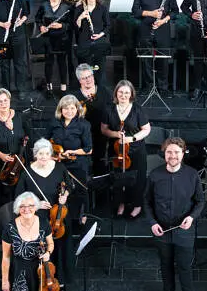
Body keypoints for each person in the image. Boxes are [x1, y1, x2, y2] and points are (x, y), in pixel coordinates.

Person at [145, 137, 206, 291]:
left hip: (184, 230)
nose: (173, 156)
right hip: (161, 230)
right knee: (165, 265)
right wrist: (152, 222)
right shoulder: (154, 175)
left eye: (176, 152)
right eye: (169, 152)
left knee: (185, 268)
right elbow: (146, 202)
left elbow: (200, 201)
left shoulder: (192, 175)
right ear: (164, 154)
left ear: (183, 153)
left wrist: (191, 217)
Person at [1, 192, 57, 291]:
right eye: (22, 206)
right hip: (20, 271)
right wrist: (5, 280)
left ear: (36, 207)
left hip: (40, 270)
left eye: (31, 205)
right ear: (17, 209)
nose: (27, 209)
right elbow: (5, 257)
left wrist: (48, 253)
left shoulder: (43, 222)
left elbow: (50, 244)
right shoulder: (10, 227)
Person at [15, 139, 73, 285]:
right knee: (44, 247)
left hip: (59, 215)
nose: (44, 157)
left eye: (47, 153)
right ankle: (44, 280)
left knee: (61, 245)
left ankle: (61, 279)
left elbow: (69, 186)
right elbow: (19, 199)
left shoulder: (60, 168)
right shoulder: (27, 173)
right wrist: (36, 205)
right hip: (38, 218)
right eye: (40, 154)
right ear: (35, 154)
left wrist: (65, 196)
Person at [101, 80, 152, 218]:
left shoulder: (138, 109)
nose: (123, 95)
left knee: (138, 178)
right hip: (117, 149)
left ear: (131, 94)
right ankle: (121, 203)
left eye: (126, 93)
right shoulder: (109, 109)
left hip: (136, 150)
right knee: (119, 178)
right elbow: (104, 129)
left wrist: (132, 138)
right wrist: (115, 134)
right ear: (116, 93)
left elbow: (146, 129)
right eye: (120, 92)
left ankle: (137, 205)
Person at [131, 0, 179, 94]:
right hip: (146, 29)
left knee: (163, 60)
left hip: (163, 29)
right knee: (146, 59)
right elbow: (135, 11)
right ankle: (148, 86)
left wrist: (163, 20)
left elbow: (175, 11)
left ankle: (163, 88)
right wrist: (151, 13)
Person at [46, 94, 92, 228]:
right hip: (58, 163)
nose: (69, 111)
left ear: (77, 109)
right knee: (59, 191)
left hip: (78, 163)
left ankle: (83, 215)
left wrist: (72, 152)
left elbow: (88, 149)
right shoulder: (54, 123)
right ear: (60, 110)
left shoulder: (84, 124)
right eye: (66, 108)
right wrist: (52, 155)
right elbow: (44, 141)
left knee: (80, 190)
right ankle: (61, 217)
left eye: (72, 108)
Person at [0, 88, 32, 209]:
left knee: (22, 190)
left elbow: (29, 135)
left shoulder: (19, 117)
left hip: (21, 160)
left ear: (9, 100)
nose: (3, 104)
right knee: (4, 193)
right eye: (0, 102)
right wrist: (2, 156)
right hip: (2, 164)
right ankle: (6, 214)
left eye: (5, 100)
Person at [73, 64, 113, 176]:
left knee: (100, 166)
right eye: (84, 78)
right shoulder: (74, 97)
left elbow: (112, 111)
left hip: (101, 135)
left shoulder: (104, 92)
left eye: (90, 76)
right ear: (79, 80)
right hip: (82, 137)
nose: (88, 80)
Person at [35, 0, 74, 93]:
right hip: (48, 38)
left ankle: (63, 87)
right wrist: (41, 26)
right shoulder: (44, 4)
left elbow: (72, 24)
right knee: (49, 62)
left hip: (63, 38)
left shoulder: (67, 5)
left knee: (62, 62)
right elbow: (38, 18)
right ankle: (49, 87)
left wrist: (61, 25)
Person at [74, 0, 111, 85]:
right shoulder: (79, 8)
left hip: (99, 42)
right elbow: (76, 27)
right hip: (84, 43)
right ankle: (86, 90)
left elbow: (108, 26)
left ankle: (99, 89)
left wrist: (100, 34)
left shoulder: (102, 8)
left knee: (99, 69)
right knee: (85, 71)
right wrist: (80, 17)